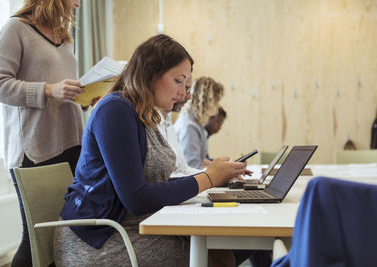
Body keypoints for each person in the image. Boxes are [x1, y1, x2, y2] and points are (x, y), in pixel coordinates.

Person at [54, 34, 247, 267]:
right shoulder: (115, 110)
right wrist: (208, 178)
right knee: (220, 256)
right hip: (101, 239)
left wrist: (217, 176)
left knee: (227, 250)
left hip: (136, 225)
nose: (185, 93)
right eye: (179, 81)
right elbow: (136, 198)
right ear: (151, 74)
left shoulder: (144, 115)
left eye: (186, 85)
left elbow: (155, 186)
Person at [0, 0, 83, 266]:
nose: (78, 4)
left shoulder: (64, 37)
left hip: (71, 144)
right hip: (34, 149)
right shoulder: (15, 29)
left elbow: (63, 89)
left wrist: (85, 96)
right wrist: (48, 90)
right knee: (37, 240)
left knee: (63, 237)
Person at [157, 76, 203, 177]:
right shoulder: (151, 125)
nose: (188, 96)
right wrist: (210, 177)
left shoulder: (168, 124)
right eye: (186, 89)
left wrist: (218, 176)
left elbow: (184, 170)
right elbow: (164, 179)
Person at [174, 77, 224, 169]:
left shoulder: (196, 123)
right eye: (216, 101)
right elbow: (193, 166)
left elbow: (201, 160)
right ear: (206, 101)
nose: (217, 108)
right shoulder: (189, 127)